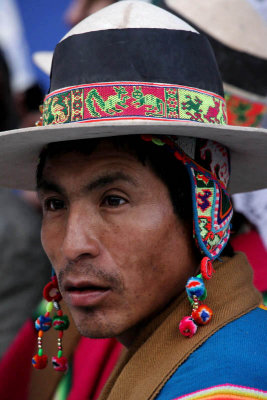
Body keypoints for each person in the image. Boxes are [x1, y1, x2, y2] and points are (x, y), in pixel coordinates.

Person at [0, 2, 266, 399]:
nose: (73, 245)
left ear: (207, 208)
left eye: (114, 200)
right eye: (54, 203)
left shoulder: (224, 383)